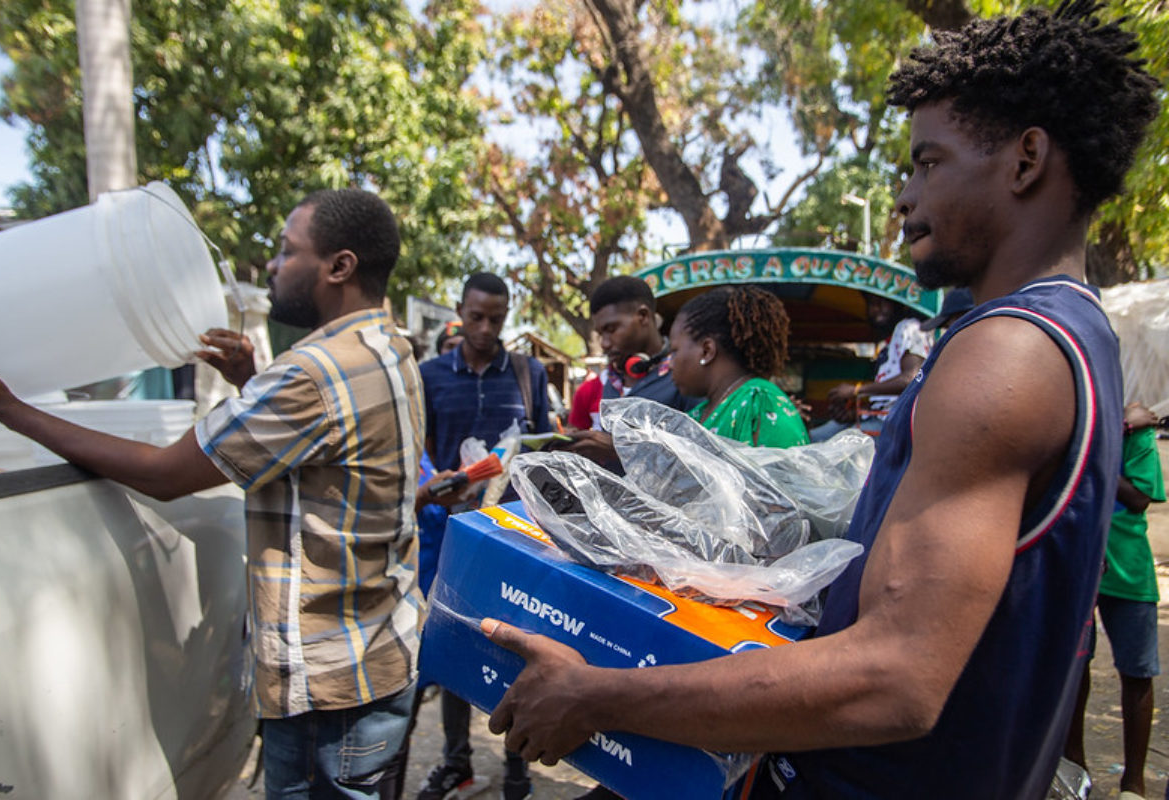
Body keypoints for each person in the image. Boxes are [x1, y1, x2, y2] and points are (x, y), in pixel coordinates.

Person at [474, 3, 1159, 798]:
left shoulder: (1005, 352)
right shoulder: (1081, 332)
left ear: (1026, 158)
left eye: (927, 163)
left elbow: (896, 677)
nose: (904, 196)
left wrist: (597, 695)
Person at [0, 188, 426, 798]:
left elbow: (165, 474)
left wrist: (7, 408)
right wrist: (250, 380)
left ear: (339, 266)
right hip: (379, 659)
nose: (271, 266)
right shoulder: (387, 348)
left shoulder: (314, 371)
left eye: (288, 251)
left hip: (329, 688)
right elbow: (326, 441)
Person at [416, 271, 550, 800]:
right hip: (447, 531)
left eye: (497, 319)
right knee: (450, 638)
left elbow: (543, 447)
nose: (486, 328)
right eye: (477, 317)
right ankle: (457, 763)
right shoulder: (428, 375)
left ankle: (517, 766)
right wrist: (436, 485)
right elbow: (418, 448)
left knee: (514, 645)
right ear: (460, 310)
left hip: (513, 534)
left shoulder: (527, 373)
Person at [1064, 401, 1164, 800]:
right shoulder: (1082, 426)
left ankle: (1133, 784)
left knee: (1137, 671)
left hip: (1127, 566)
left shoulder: (1134, 435)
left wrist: (1094, 449)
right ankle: (1075, 766)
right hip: (1081, 561)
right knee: (1076, 668)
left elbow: (1140, 497)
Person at [561, 275, 699, 464]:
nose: (604, 343)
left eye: (611, 329)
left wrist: (621, 450)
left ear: (643, 316)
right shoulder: (611, 381)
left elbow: (700, 459)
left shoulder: (685, 374)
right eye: (601, 334)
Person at [668, 285, 808, 448]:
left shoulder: (759, 402)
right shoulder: (698, 414)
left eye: (674, 351)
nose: (670, 363)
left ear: (707, 351)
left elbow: (782, 472)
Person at [809, 293, 932, 441]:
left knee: (842, 446)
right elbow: (883, 399)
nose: (876, 309)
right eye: (872, 304)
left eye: (883, 303)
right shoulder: (887, 342)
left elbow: (911, 379)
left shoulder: (909, 327)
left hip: (894, 420)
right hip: (875, 416)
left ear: (898, 304)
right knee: (813, 437)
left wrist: (856, 390)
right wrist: (853, 413)